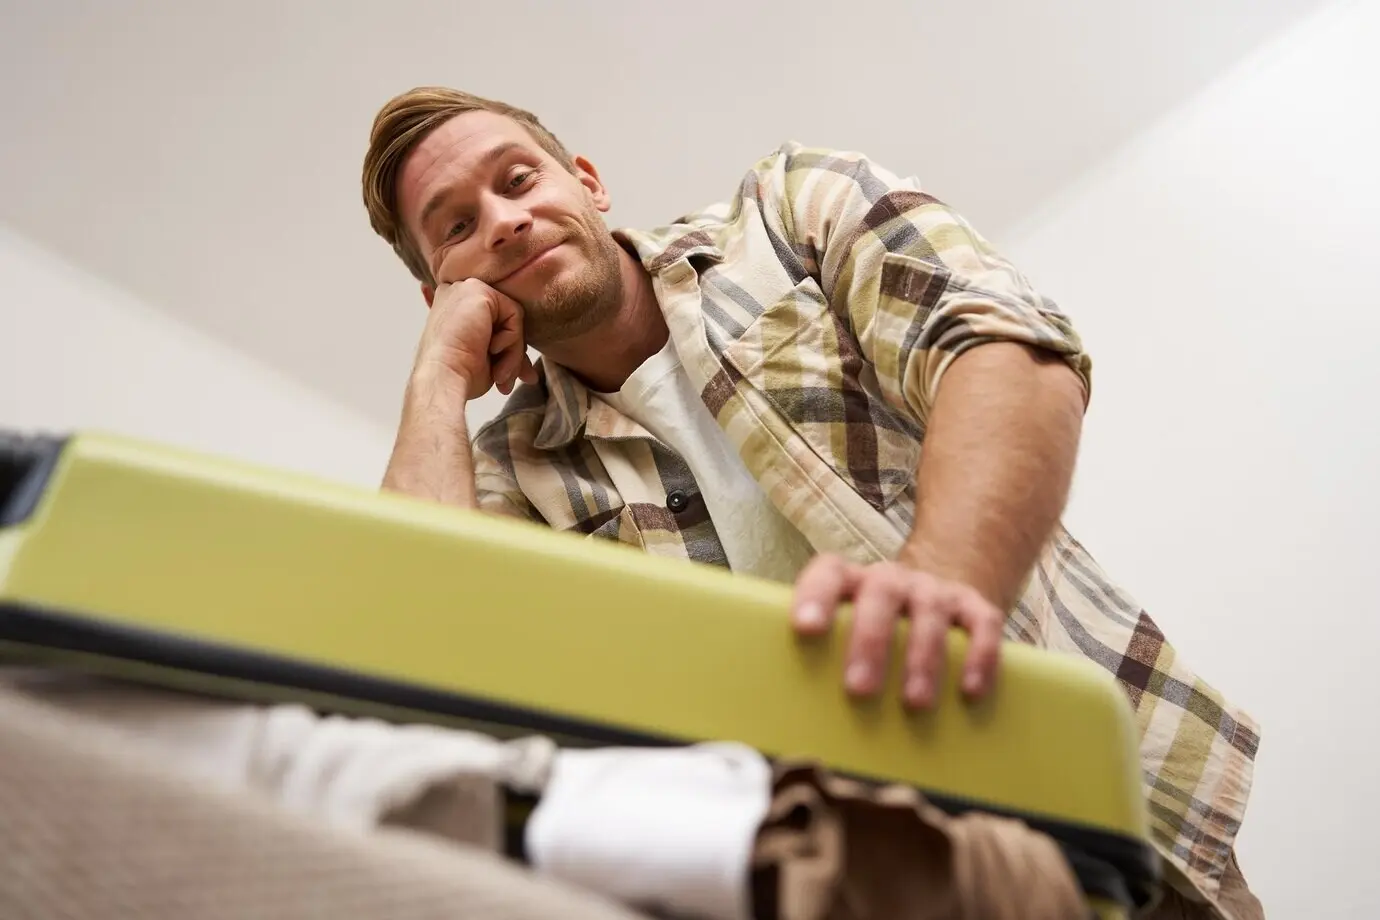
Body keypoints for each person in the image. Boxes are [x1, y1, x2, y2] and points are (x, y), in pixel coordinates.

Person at [359, 86, 1262, 919]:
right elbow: (425, 651)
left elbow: (1002, 344)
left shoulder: (789, 210)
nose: (507, 221)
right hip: (824, 886)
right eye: (459, 227)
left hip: (1093, 818)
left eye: (519, 180)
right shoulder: (510, 473)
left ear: (586, 183)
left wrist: (946, 584)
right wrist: (437, 374)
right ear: (441, 288)